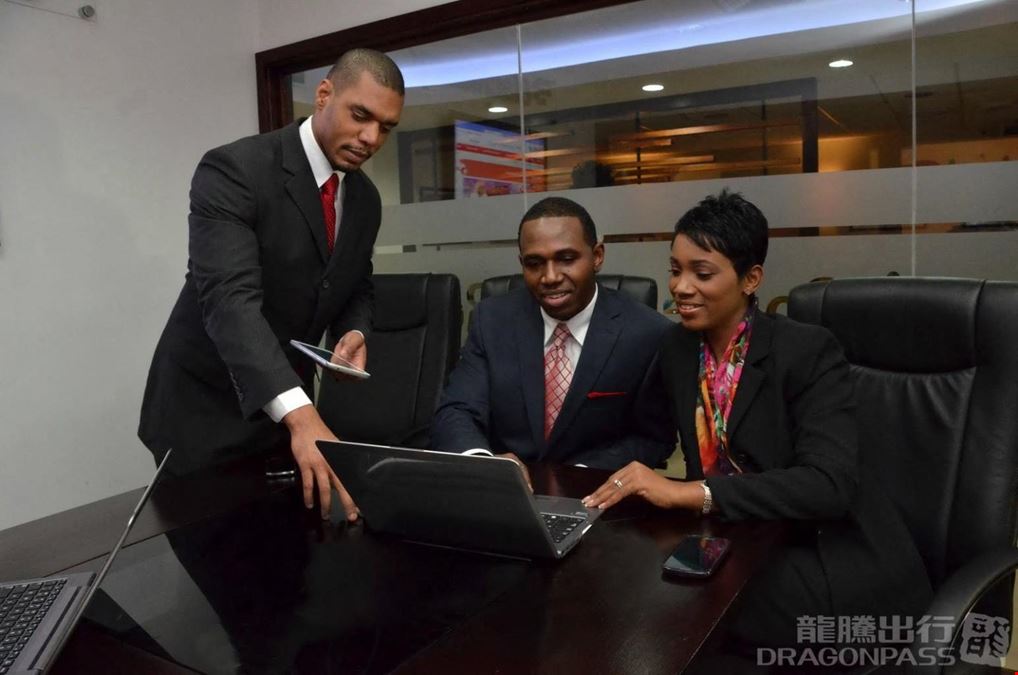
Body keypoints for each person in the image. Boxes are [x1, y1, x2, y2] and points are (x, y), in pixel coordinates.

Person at [583, 190, 931, 655]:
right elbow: (651, 434)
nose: (681, 287)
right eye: (675, 269)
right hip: (738, 538)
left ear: (751, 279)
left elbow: (828, 484)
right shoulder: (679, 349)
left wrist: (695, 492)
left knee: (683, 621)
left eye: (701, 273)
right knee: (627, 586)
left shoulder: (808, 351)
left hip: (823, 552)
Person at [139, 49, 404, 521]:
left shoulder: (363, 197)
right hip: (205, 411)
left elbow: (354, 280)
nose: (371, 138)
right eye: (361, 115)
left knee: (286, 566)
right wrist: (303, 417)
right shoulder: (235, 170)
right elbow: (229, 302)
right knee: (214, 569)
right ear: (324, 94)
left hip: (284, 415)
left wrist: (355, 331)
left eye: (385, 127)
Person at [431, 196, 674, 472]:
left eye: (566, 259)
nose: (550, 277)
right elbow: (457, 410)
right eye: (534, 263)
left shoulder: (647, 333)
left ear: (597, 256)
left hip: (598, 492)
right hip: (507, 494)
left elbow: (653, 438)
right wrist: (486, 467)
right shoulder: (492, 321)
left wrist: (578, 476)